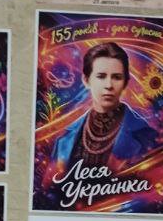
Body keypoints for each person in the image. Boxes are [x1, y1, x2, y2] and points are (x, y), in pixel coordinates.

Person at [47, 41, 156, 178]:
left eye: (117, 77)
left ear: (125, 82)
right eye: (101, 76)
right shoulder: (65, 138)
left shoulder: (145, 135)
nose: (109, 85)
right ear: (86, 80)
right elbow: (52, 186)